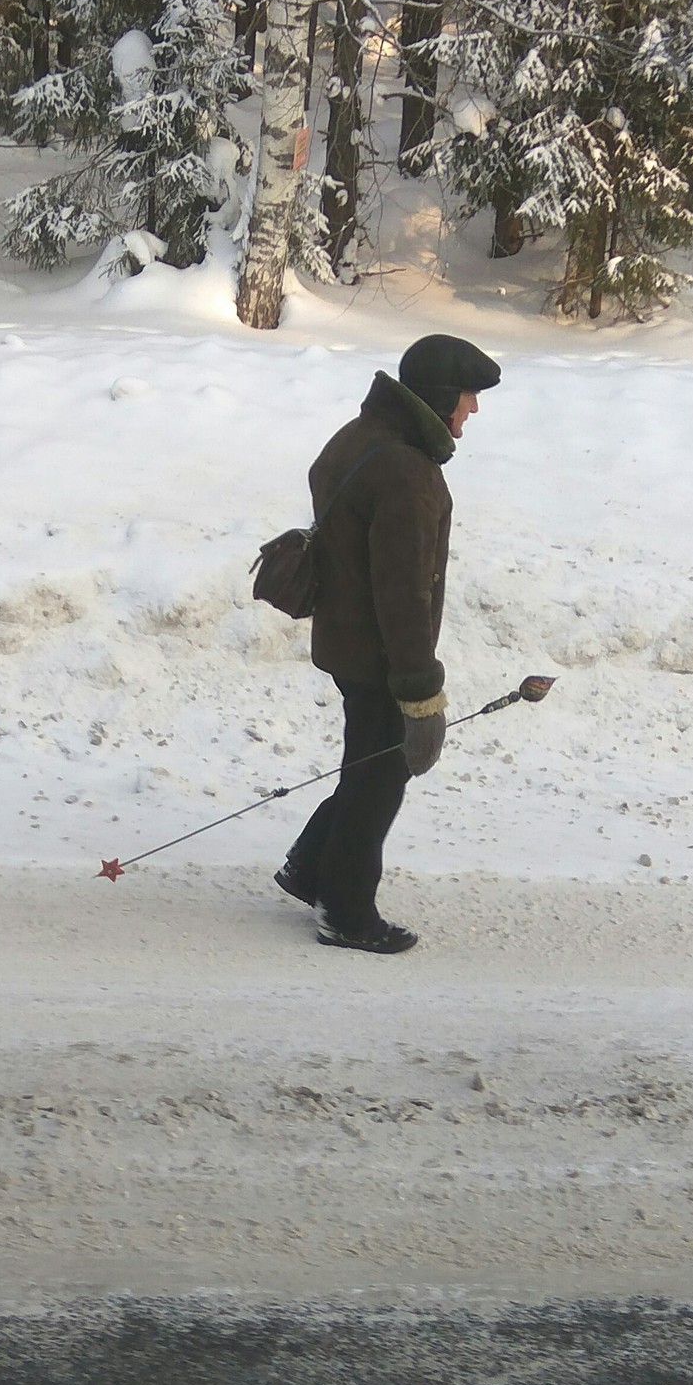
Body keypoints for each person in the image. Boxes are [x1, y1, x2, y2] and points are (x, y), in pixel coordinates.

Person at [275, 334, 501, 954]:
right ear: (437, 395)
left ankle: (308, 867)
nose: (473, 410)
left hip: (346, 640)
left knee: (367, 766)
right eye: (468, 395)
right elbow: (405, 594)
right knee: (382, 774)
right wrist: (420, 691)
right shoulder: (407, 472)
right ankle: (346, 913)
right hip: (379, 654)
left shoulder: (360, 436)